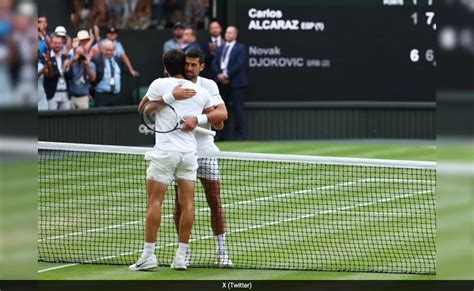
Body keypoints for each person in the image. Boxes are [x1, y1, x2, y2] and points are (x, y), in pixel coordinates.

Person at [129, 49, 214, 271]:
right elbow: (219, 118)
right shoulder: (200, 91)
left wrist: (168, 98)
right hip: (188, 155)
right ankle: (181, 257)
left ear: (166, 67)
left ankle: (148, 256)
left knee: (154, 202)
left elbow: (143, 110)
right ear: (184, 66)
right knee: (188, 204)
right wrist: (198, 118)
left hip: (165, 154)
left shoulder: (158, 84)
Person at [174, 47, 233, 267]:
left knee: (214, 200)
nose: (189, 68)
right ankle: (183, 251)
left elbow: (221, 115)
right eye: (186, 64)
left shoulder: (208, 85)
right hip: (182, 152)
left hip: (205, 151)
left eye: (193, 65)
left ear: (202, 66)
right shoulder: (174, 84)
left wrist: (197, 119)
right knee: (179, 203)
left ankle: (222, 252)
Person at [212, 26, 248, 140]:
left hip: (236, 83)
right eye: (226, 32)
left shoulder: (240, 48)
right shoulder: (220, 48)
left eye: (230, 33)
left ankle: (240, 135)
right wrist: (219, 75)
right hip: (222, 84)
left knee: (238, 109)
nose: (228, 34)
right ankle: (221, 134)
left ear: (235, 35)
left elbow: (240, 64)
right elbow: (214, 63)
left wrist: (227, 75)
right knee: (221, 109)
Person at [43, 34, 71, 110]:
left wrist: (67, 68)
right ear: (51, 44)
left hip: (65, 93)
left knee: (66, 119)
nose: (57, 45)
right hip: (52, 93)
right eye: (55, 43)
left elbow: (71, 76)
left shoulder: (65, 57)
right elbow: (48, 76)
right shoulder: (47, 57)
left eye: (59, 43)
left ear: (62, 44)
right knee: (51, 119)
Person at [92, 39, 121, 106]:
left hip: (116, 96)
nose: (108, 52)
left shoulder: (118, 60)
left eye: (110, 50)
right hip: (101, 96)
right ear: (103, 49)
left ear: (114, 49)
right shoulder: (96, 60)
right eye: (106, 50)